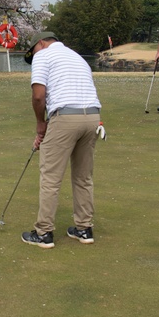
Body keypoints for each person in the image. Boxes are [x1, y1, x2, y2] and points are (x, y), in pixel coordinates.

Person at [21, 31, 102, 249]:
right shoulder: (77, 56)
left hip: (65, 117)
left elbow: (38, 96)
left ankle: (43, 233)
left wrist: (41, 125)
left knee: (51, 178)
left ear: (41, 43)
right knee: (83, 177)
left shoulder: (43, 56)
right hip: (93, 117)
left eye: (33, 52)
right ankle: (84, 229)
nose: (33, 57)